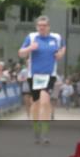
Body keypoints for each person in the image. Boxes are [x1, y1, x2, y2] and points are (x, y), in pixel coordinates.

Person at [18, 16, 65, 144]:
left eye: (44, 25)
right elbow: (21, 53)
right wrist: (30, 48)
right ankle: (36, 129)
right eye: (39, 25)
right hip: (34, 76)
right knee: (36, 103)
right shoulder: (32, 37)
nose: (42, 27)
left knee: (45, 101)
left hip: (49, 75)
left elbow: (63, 47)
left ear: (48, 27)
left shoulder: (56, 37)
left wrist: (60, 54)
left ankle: (45, 132)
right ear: (36, 27)